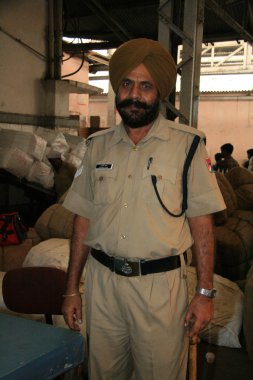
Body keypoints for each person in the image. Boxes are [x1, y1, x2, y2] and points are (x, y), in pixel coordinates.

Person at [62, 38, 226, 380]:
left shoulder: (189, 146)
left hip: (160, 291)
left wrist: (205, 294)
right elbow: (82, 222)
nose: (135, 94)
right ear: (117, 89)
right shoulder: (96, 147)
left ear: (159, 92)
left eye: (146, 86)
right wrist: (71, 289)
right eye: (127, 83)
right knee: (103, 374)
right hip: (102, 287)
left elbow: (202, 226)